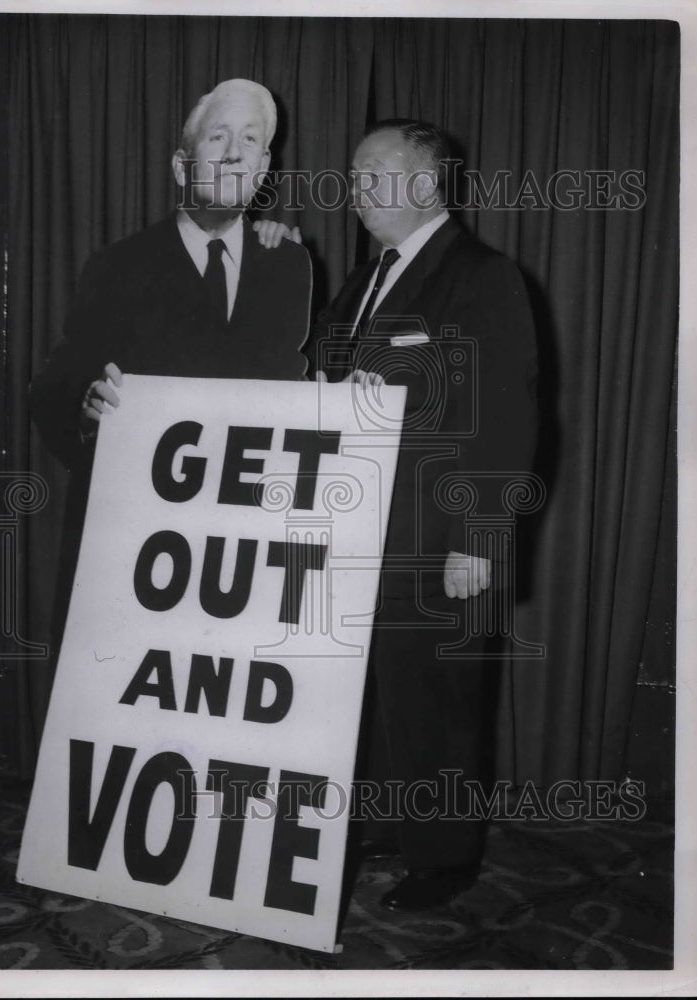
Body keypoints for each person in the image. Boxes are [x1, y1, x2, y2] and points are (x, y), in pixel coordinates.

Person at [307, 119, 538, 911]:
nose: (356, 192)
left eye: (376, 175)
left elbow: (508, 418)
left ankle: (445, 859)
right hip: (357, 526)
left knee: (436, 701)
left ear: (428, 186)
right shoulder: (366, 278)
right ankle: (387, 825)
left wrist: (480, 538)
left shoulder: (481, 275)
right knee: (375, 694)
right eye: (354, 175)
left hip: (436, 535)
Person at [30, 78, 310, 467]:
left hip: (246, 514)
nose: (234, 154)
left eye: (249, 140)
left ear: (262, 168)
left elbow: (292, 385)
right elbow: (56, 383)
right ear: (182, 168)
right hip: (141, 508)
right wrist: (85, 403)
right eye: (217, 138)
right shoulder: (115, 266)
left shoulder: (288, 265)